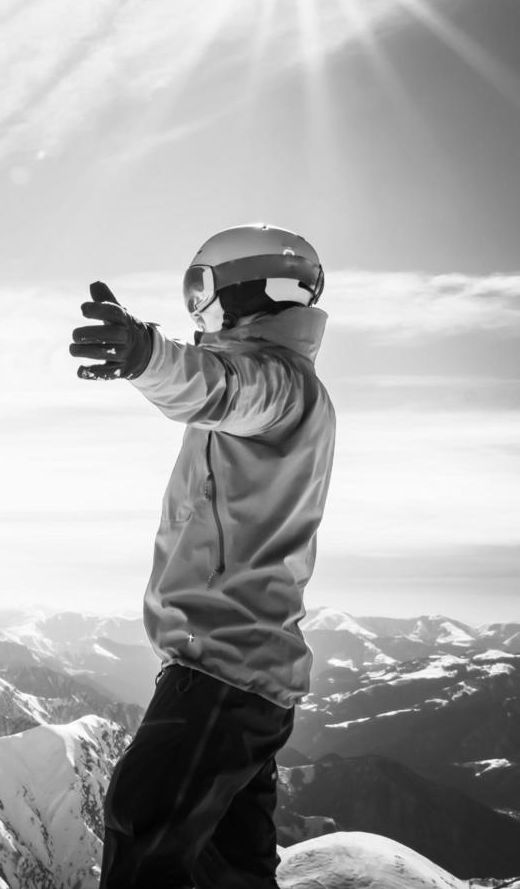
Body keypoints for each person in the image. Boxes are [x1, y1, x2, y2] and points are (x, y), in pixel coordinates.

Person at [68, 223, 336, 889]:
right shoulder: (288, 385)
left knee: (144, 831)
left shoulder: (277, 385)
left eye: (203, 293)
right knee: (228, 864)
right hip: (243, 674)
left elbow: (220, 386)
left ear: (234, 293)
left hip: (223, 669)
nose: (200, 312)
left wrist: (145, 355)